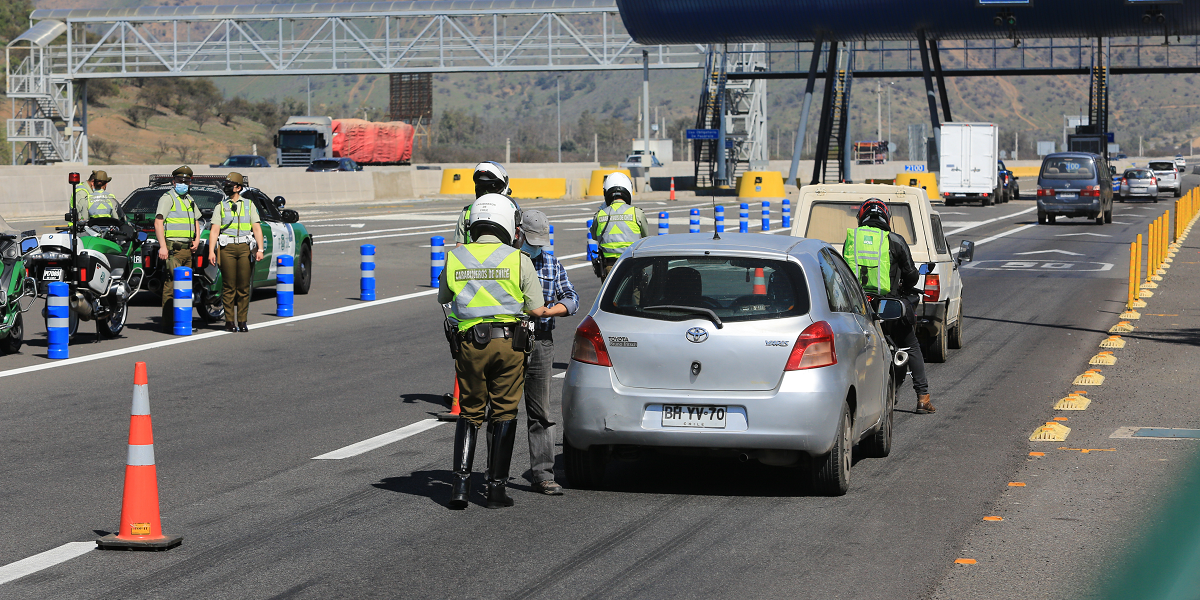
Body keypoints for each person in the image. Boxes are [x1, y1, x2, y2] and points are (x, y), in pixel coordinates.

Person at [438, 193, 550, 510]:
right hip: (509, 344)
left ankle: (460, 487)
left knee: (470, 412)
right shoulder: (518, 259)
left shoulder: (455, 257)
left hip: (469, 344)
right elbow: (536, 307)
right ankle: (496, 490)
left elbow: (443, 297)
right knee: (504, 412)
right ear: (505, 223)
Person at [843, 198, 934, 414]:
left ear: (861, 218)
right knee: (911, 346)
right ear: (886, 218)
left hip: (859, 308)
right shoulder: (895, 240)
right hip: (889, 307)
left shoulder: (852, 240)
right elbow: (912, 276)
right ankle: (923, 398)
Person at [518, 209, 579, 496]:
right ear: (519, 234)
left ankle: (543, 474)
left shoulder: (551, 263)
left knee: (541, 412)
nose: (535, 247)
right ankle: (495, 476)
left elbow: (572, 297)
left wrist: (549, 311)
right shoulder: (508, 262)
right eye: (531, 241)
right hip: (510, 340)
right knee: (501, 412)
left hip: (541, 340)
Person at [207, 172, 264, 333]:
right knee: (229, 286)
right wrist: (211, 251)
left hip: (245, 247)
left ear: (238, 187)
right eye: (226, 185)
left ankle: (242, 321)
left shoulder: (249, 205)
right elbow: (214, 230)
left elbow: (257, 228)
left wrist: (260, 249)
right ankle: (229, 321)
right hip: (227, 248)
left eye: (230, 185)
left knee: (244, 286)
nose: (227, 188)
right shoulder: (220, 206)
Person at [155, 165, 202, 333]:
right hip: (173, 248)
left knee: (185, 286)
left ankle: (183, 321)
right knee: (171, 285)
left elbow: (196, 221)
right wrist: (162, 246)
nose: (183, 184)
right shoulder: (168, 198)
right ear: (174, 182)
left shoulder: (189, 199)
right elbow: (158, 222)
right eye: (180, 181)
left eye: (186, 181)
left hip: (187, 249)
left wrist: (196, 240)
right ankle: (168, 324)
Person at [590, 171, 649, 279]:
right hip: (632, 264)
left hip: (609, 266)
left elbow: (594, 236)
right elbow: (646, 237)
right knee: (638, 288)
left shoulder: (600, 215)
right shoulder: (636, 213)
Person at [453, 161, 512, 247]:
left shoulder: (467, 212)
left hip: (472, 256)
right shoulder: (511, 209)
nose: (486, 192)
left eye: (491, 187)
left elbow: (459, 248)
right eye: (482, 187)